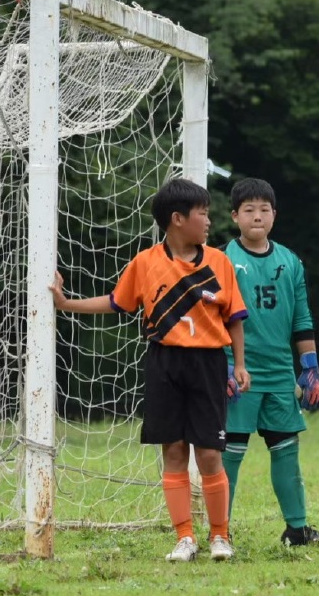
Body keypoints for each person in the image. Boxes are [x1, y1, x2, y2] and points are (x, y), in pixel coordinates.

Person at [50, 177, 250, 562]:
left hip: (209, 364)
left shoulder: (219, 262)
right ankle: (185, 538)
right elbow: (116, 303)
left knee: (209, 454)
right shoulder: (145, 263)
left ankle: (220, 536)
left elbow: (235, 318)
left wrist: (239, 364)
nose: (209, 221)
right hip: (164, 363)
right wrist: (66, 304)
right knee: (173, 450)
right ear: (177, 219)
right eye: (203, 213)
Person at [221, 178, 319, 548]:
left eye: (264, 209)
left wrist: (310, 368)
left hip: (279, 373)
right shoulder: (222, 260)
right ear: (235, 216)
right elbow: (213, 318)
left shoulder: (290, 262)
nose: (257, 216)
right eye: (249, 210)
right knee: (229, 453)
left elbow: (301, 318)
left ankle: (297, 530)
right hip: (237, 372)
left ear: (274, 214)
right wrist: (222, 365)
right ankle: (219, 531)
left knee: (286, 449)